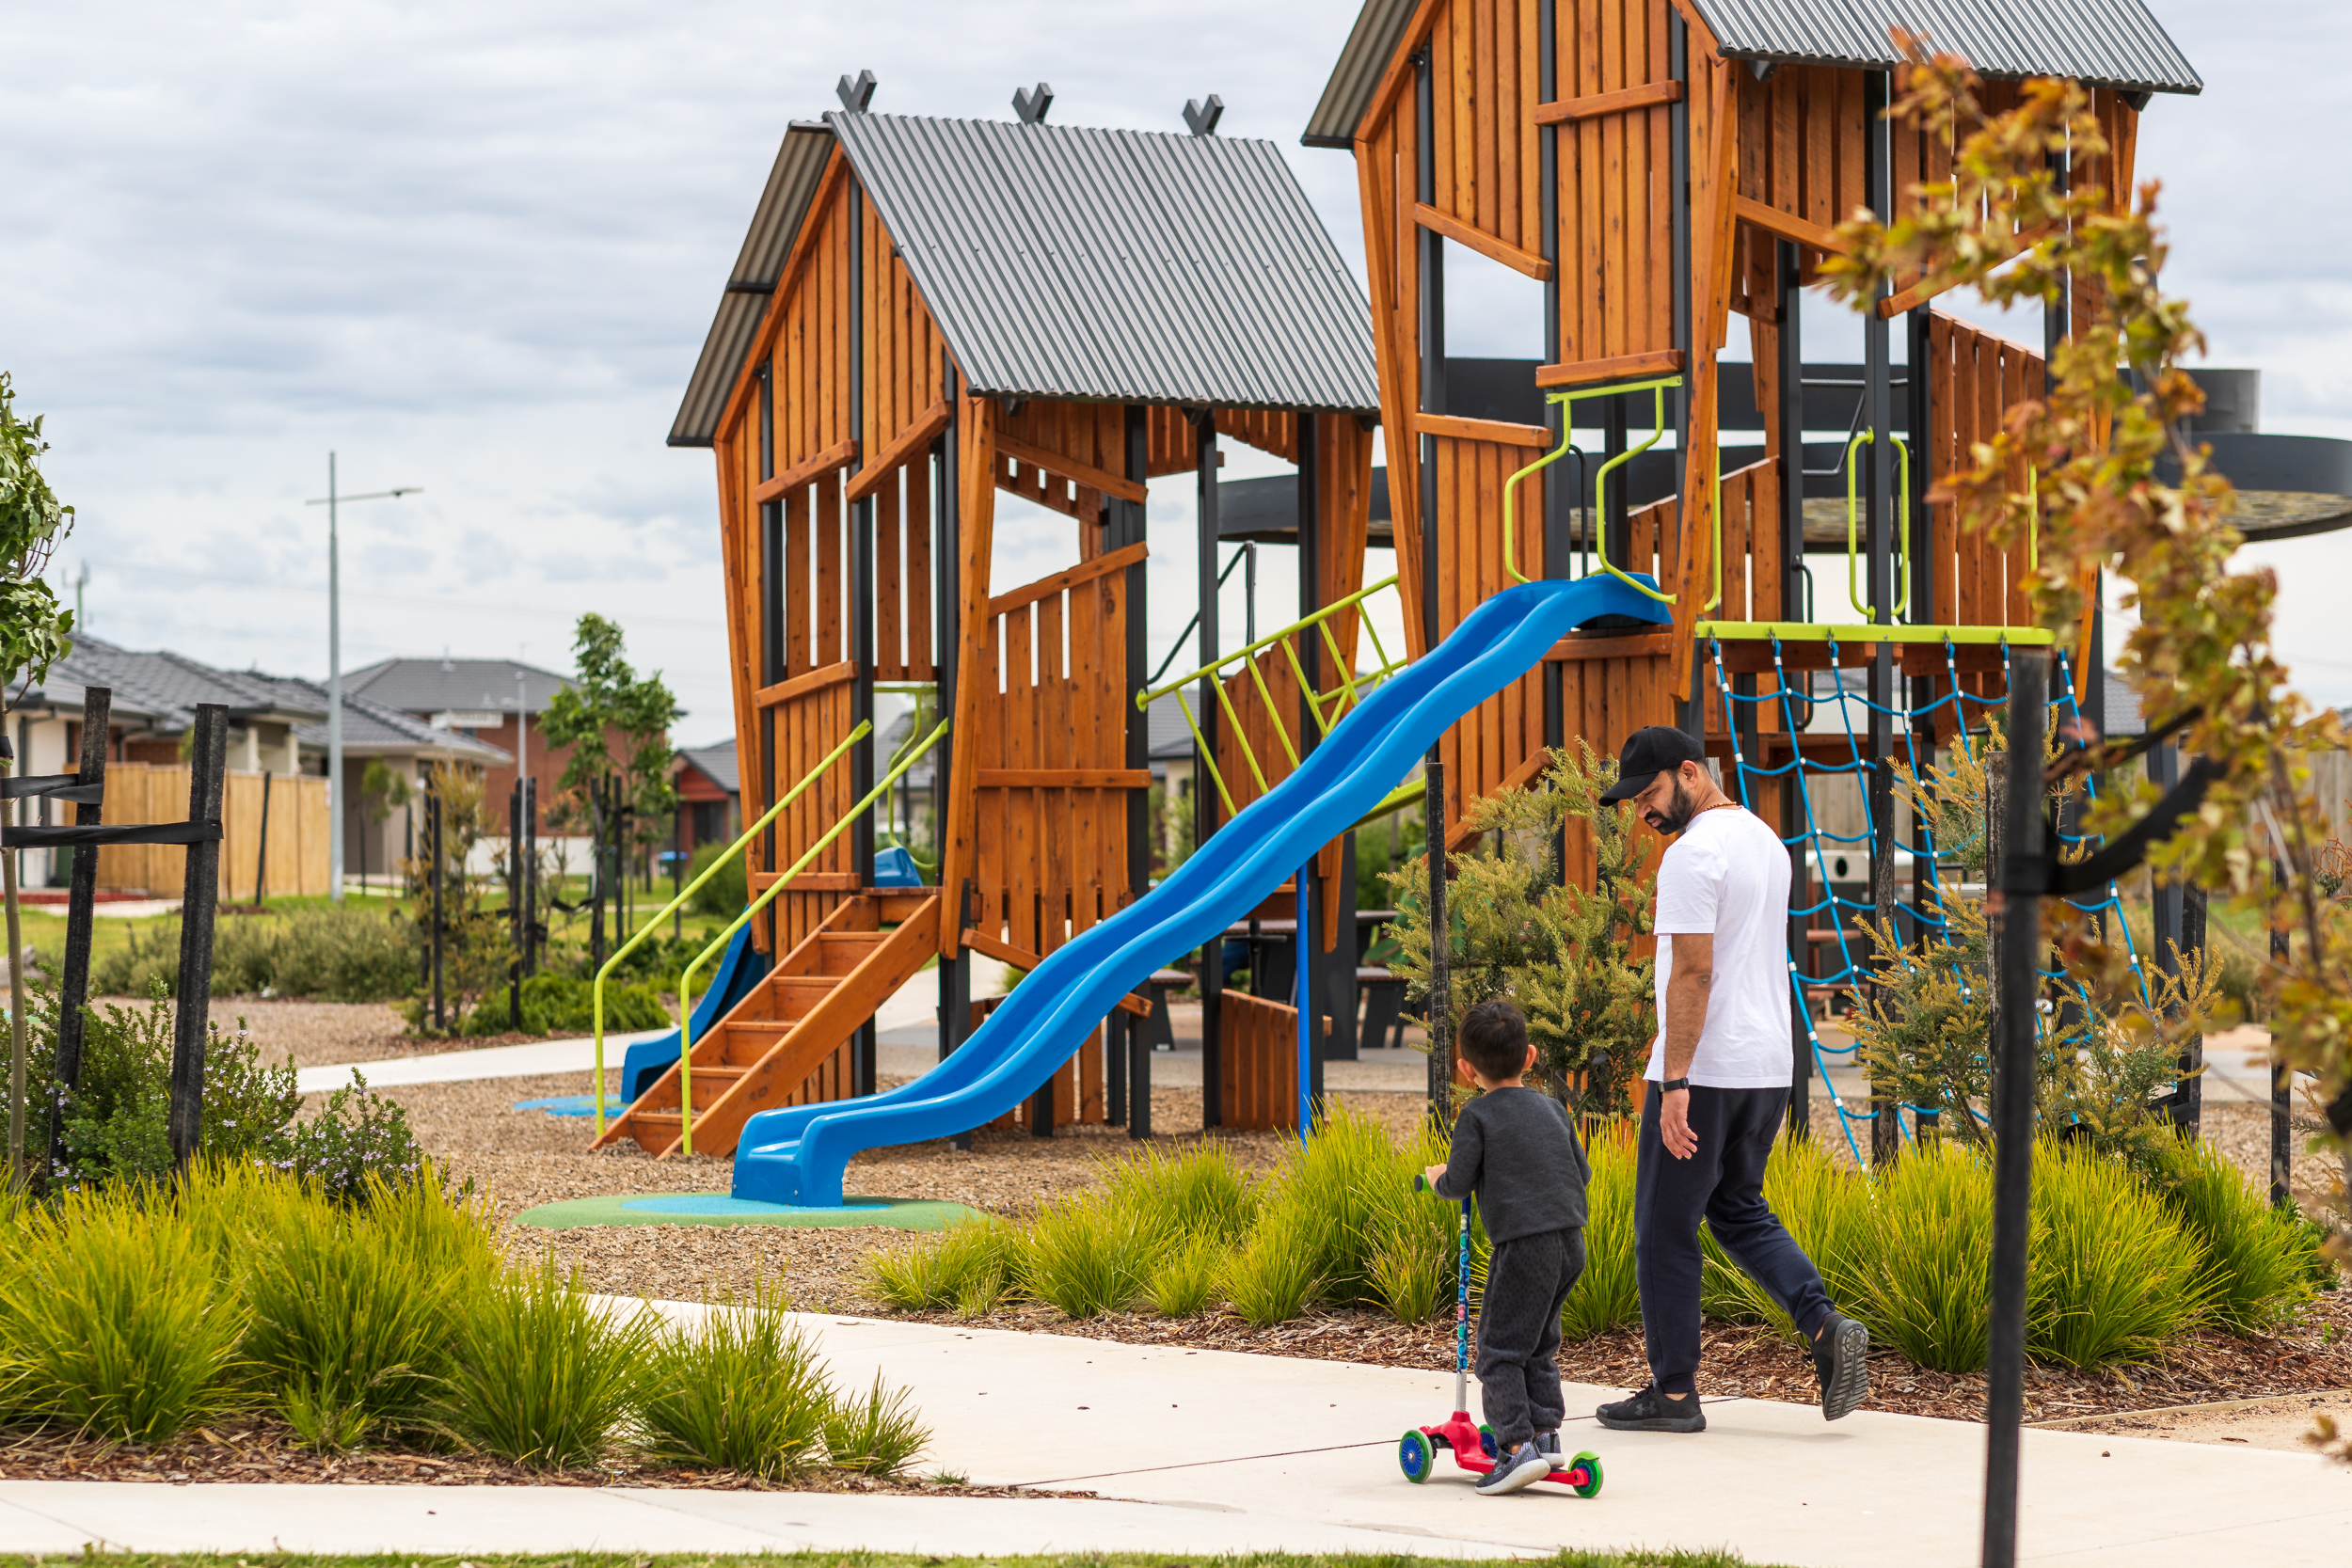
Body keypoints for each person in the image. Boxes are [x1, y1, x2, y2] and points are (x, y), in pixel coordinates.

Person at [1592, 726, 1870, 1434]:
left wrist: (1675, 1078)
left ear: (1689, 772)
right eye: (1634, 801)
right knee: (1737, 1207)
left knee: (1662, 1228)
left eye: (1651, 794)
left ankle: (1675, 1393)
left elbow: (1695, 970)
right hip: (1766, 1067)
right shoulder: (1765, 840)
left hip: (1704, 1070)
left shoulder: (1692, 855)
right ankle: (1822, 1321)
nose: (1644, 813)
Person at [1422, 998, 1593, 1494]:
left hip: (1523, 1246)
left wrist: (1435, 1178)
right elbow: (1581, 1173)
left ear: (1465, 1068)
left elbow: (1457, 1182)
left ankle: (1515, 1449)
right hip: (1570, 1241)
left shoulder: (1476, 1117)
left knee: (1498, 1352)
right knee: (1539, 1343)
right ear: (1531, 1056)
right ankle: (1546, 1434)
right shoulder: (1554, 1110)